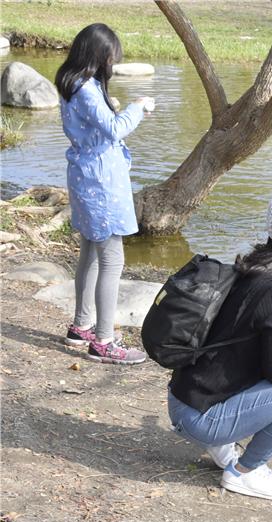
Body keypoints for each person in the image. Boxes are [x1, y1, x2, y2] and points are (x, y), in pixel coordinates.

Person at [168, 190, 272, 501]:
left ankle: (223, 447)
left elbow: (248, 347)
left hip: (187, 397)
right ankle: (245, 472)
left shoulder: (248, 268)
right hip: (198, 417)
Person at [56, 23, 154, 364]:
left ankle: (81, 327)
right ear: (98, 55)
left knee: (90, 252)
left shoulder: (75, 83)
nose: (113, 62)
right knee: (113, 259)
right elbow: (114, 130)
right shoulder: (84, 88)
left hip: (88, 177)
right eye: (111, 56)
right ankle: (104, 341)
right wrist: (137, 106)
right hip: (100, 183)